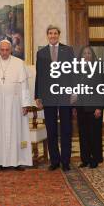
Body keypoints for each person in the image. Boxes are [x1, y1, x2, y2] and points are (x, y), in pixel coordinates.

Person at [0, 40, 32, 171]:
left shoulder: (19, 63)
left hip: (15, 103)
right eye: (2, 50)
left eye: (7, 50)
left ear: (11, 50)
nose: (4, 52)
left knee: (17, 132)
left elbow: (24, 86)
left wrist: (25, 104)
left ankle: (17, 161)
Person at [35, 25, 75, 171]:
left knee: (66, 129)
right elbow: (39, 75)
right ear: (47, 35)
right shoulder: (41, 52)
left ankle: (65, 161)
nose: (53, 35)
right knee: (51, 129)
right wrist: (37, 95)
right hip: (48, 96)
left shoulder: (68, 50)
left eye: (55, 33)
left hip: (65, 94)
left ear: (59, 35)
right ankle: (55, 161)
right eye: (50, 33)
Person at [75, 46, 103, 168]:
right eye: (84, 53)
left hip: (94, 107)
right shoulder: (77, 69)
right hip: (81, 107)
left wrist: (99, 107)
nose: (86, 55)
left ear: (92, 56)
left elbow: (101, 89)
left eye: (89, 53)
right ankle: (85, 159)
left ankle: (95, 159)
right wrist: (74, 107)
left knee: (94, 135)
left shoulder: (98, 68)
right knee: (83, 134)